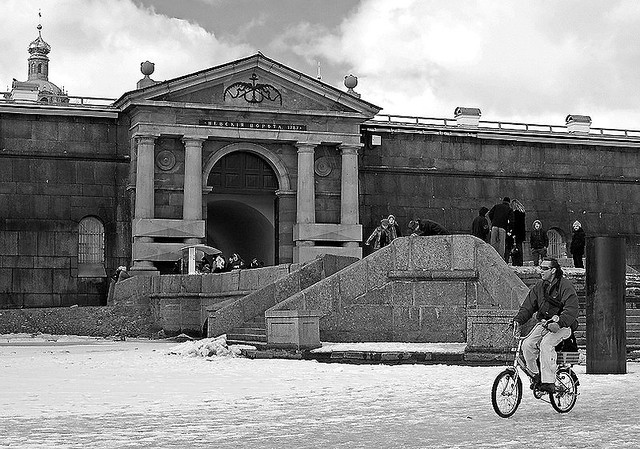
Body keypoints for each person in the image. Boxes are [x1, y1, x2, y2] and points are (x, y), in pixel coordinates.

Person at [512, 257, 579, 393]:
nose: (540, 271)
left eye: (544, 268)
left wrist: (559, 322)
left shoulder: (565, 286)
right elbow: (528, 306)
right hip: (544, 323)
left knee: (546, 344)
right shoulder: (539, 286)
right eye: (540, 267)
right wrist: (518, 320)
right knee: (527, 344)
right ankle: (536, 376)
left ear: (553, 270)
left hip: (563, 326)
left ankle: (549, 382)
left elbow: (572, 309)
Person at [488, 197, 514, 261]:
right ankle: (500, 260)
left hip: (494, 226)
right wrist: (508, 227)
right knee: (501, 245)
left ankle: (493, 258)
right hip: (503, 228)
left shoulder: (496, 206)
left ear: (503, 201)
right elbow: (512, 221)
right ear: (509, 202)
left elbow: (490, 214)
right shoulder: (509, 209)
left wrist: (493, 221)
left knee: (493, 243)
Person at [509, 199, 526, 266]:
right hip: (521, 234)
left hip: (515, 233)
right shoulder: (522, 213)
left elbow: (514, 224)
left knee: (514, 248)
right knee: (520, 248)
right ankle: (520, 262)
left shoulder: (514, 213)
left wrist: (512, 233)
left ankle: (515, 262)